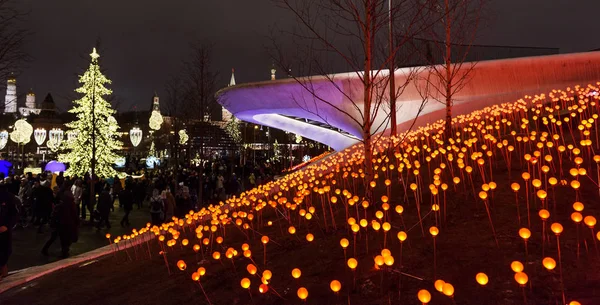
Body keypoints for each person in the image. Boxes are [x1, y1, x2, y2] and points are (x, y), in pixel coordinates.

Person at [41, 188, 78, 258]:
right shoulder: (71, 205)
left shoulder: (62, 205)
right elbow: (74, 215)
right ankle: (64, 252)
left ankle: (46, 249)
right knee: (64, 239)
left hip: (61, 224)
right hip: (65, 224)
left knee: (56, 237)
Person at [0, 182, 19, 280]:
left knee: (4, 252)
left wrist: (7, 226)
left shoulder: (7, 197)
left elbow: (14, 214)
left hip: (3, 232)